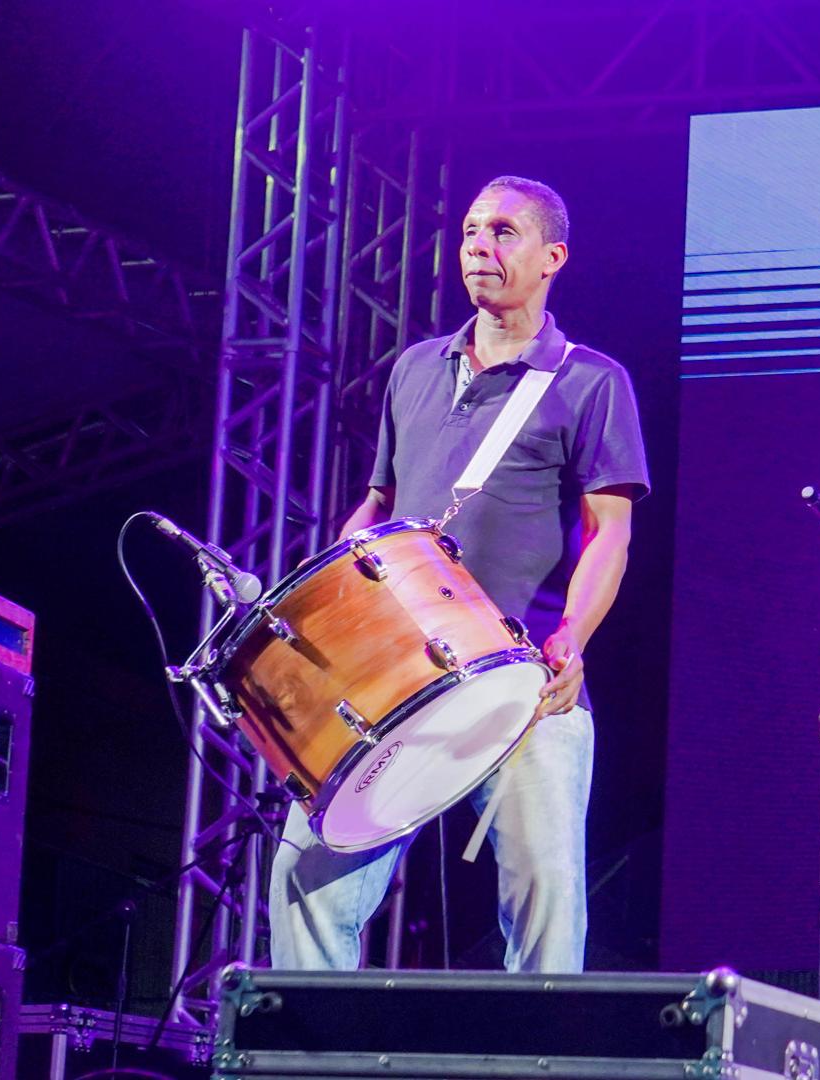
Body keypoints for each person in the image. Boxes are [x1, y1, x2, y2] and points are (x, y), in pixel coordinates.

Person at [267, 175, 650, 973]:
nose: (479, 245)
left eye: (503, 231)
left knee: (546, 903)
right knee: (305, 879)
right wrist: (330, 593)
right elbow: (378, 507)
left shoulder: (590, 381)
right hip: (397, 679)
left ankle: (541, 1047)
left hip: (524, 680)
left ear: (552, 257)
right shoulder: (415, 368)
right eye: (472, 229)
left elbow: (608, 533)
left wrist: (573, 637)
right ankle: (311, 1042)